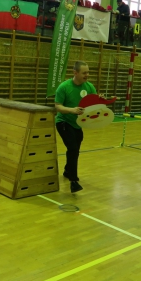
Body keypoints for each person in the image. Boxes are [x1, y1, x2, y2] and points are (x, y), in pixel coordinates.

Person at [54, 61, 98, 193]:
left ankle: (68, 171)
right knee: (73, 148)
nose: (87, 75)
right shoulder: (64, 87)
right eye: (84, 73)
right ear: (75, 73)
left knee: (75, 150)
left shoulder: (89, 87)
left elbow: (94, 103)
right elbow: (58, 106)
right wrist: (72, 110)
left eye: (88, 72)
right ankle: (73, 181)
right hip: (64, 122)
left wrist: (102, 99)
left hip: (78, 124)